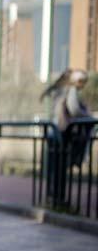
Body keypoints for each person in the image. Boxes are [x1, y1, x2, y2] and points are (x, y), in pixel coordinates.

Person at [40, 69, 93, 207]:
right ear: (78, 81)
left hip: (54, 132)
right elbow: (73, 108)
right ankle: (58, 200)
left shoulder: (60, 89)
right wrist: (88, 116)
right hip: (62, 132)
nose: (83, 86)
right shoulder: (71, 89)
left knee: (55, 168)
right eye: (83, 82)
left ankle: (53, 198)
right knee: (60, 167)